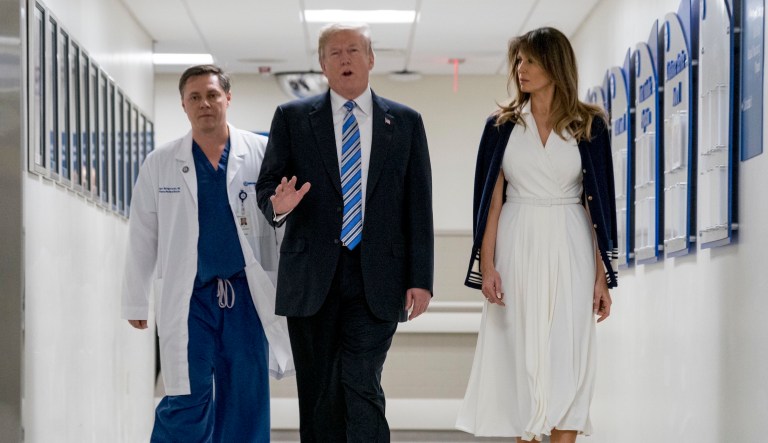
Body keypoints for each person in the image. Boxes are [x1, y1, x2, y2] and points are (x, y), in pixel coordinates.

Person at [255, 23, 434, 442]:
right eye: (334, 53)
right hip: (312, 278)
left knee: (360, 381)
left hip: (379, 277)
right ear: (322, 64)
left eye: (354, 50)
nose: (345, 59)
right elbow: (268, 188)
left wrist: (420, 279)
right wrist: (276, 207)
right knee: (319, 392)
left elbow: (418, 206)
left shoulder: (405, 122)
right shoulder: (293, 118)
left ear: (371, 59)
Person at [455, 27, 618, 443]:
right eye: (519, 61)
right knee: (521, 353)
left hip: (571, 240)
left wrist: (602, 275)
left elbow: (595, 201)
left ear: (554, 64)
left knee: (569, 352)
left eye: (529, 60)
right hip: (517, 239)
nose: (520, 69)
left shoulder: (590, 124)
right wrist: (487, 265)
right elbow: (490, 201)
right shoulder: (501, 126)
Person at [121, 64, 293, 442]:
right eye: (194, 97)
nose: (205, 104)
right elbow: (143, 234)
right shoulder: (161, 162)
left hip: (246, 295)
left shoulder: (261, 152)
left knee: (245, 396)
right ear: (183, 105)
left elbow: (283, 220)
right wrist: (136, 301)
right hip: (191, 297)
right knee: (185, 395)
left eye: (212, 95)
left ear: (228, 98)